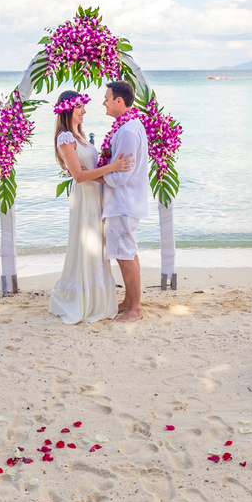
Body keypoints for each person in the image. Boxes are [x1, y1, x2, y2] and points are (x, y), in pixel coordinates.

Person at [48, 91, 134, 325]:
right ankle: (81, 298)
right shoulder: (65, 137)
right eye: (79, 108)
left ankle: (97, 297)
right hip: (84, 198)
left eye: (83, 107)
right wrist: (113, 166)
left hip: (95, 197)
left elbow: (88, 169)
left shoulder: (80, 136)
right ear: (68, 110)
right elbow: (78, 176)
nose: (84, 111)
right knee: (87, 245)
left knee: (98, 246)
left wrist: (110, 170)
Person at [98, 81, 150, 322]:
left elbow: (121, 176)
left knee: (125, 255)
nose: (104, 102)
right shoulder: (128, 126)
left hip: (124, 201)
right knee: (128, 253)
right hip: (126, 202)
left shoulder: (128, 131)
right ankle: (130, 301)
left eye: (107, 98)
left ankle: (135, 309)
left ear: (120, 101)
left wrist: (92, 176)